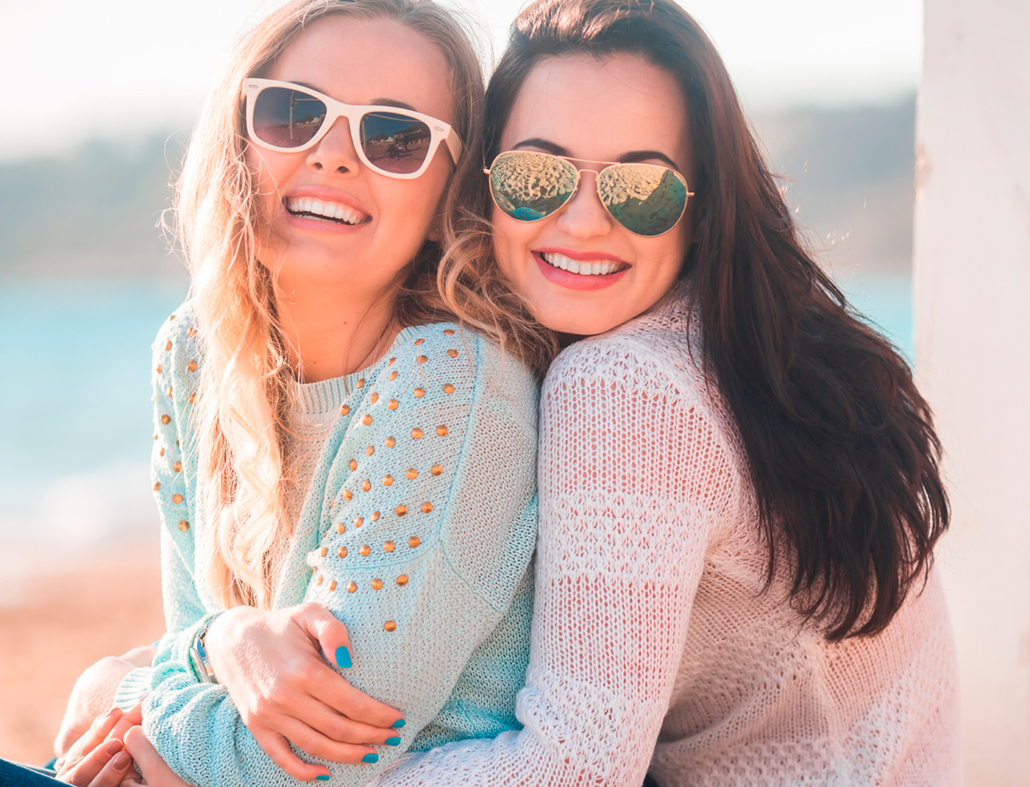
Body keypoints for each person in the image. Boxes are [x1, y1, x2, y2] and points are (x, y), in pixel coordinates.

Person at [184, 0, 960, 784]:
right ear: (480, 185)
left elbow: (574, 770)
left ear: (702, 207)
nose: (583, 221)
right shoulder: (759, 351)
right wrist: (220, 637)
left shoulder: (624, 386)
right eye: (536, 175)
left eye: (640, 189)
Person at [29, 1, 557, 786]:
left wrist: (116, 685)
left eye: (395, 137)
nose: (335, 156)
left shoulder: (454, 380)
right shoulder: (192, 354)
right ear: (238, 136)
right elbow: (201, 652)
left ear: (452, 190)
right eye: (292, 114)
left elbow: (322, 752)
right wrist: (215, 643)